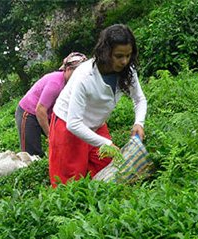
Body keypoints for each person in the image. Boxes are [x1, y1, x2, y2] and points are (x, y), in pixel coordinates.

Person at [49, 24, 147, 187]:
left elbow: (139, 99)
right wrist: (107, 144)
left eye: (128, 55)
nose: (124, 61)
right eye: (118, 56)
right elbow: (74, 124)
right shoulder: (85, 76)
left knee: (108, 169)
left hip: (96, 123)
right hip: (67, 126)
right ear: (106, 53)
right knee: (71, 182)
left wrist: (139, 123)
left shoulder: (127, 70)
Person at [15, 52, 87, 157]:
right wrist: (50, 135)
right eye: (76, 72)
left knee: (63, 140)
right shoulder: (56, 83)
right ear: (67, 69)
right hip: (29, 112)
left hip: (48, 113)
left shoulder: (74, 85)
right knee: (31, 153)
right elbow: (40, 110)